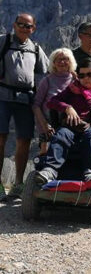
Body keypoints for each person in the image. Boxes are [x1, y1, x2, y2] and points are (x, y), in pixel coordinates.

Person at [35, 59, 91, 187]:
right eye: (81, 76)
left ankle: (90, 172)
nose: (85, 79)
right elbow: (52, 102)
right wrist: (67, 107)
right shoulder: (72, 89)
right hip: (73, 127)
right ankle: (50, 170)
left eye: (90, 74)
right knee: (61, 134)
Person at [0, 13, 49, 201]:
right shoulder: (3, 42)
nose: (24, 28)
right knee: (1, 138)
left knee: (24, 140)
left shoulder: (35, 49)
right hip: (2, 96)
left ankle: (18, 184)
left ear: (33, 29)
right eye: (21, 24)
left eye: (28, 26)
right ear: (14, 25)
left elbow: (47, 70)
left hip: (25, 98)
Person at [33, 48, 77, 155]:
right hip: (49, 129)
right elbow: (36, 105)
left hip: (71, 126)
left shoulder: (76, 80)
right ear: (53, 63)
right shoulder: (47, 80)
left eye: (65, 59)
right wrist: (44, 125)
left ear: (70, 61)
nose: (62, 62)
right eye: (58, 59)